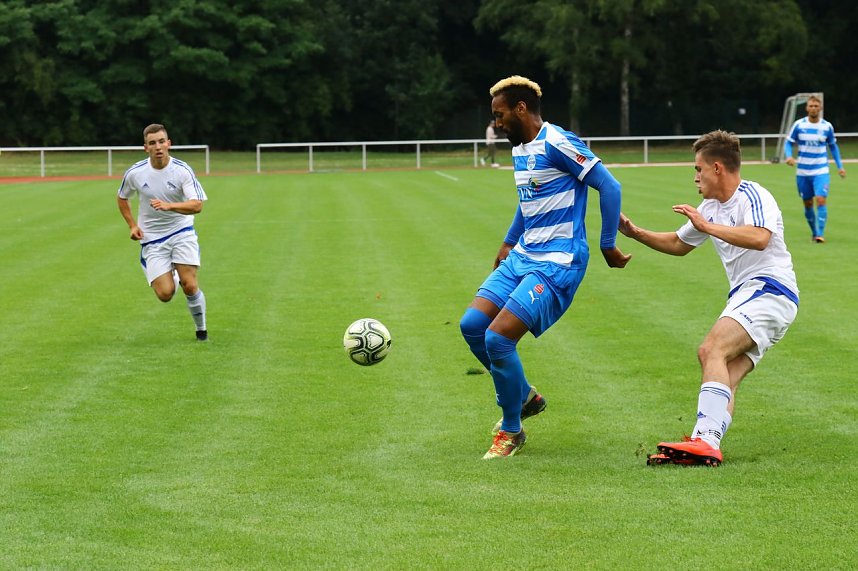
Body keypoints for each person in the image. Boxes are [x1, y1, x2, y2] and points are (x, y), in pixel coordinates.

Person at [459, 75, 631, 460]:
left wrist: (607, 244)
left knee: (498, 338)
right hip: (524, 254)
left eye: (500, 115)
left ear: (521, 109)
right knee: (472, 325)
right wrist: (508, 241)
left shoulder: (558, 142)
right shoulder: (521, 148)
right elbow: (529, 200)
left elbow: (610, 186)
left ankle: (511, 430)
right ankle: (524, 396)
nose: (496, 123)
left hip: (559, 261)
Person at [619, 130, 799, 466]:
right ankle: (706, 443)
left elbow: (759, 238)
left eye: (698, 168)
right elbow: (678, 244)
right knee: (725, 371)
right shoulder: (711, 208)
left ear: (717, 168)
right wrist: (635, 233)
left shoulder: (753, 195)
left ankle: (703, 440)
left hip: (770, 289)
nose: (695, 176)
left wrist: (708, 226)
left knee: (710, 349)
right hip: (752, 295)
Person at [117, 123, 209, 341]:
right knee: (165, 294)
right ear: (145, 148)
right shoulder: (136, 172)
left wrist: (169, 206)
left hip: (181, 230)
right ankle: (173, 273)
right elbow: (122, 197)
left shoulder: (182, 170)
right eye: (152, 143)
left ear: (169, 143)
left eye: (161, 142)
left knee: (190, 284)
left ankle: (201, 331)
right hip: (152, 238)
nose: (157, 147)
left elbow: (197, 205)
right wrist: (132, 225)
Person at [783, 95, 846, 243]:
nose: (813, 108)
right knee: (808, 203)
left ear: (820, 108)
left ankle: (820, 234)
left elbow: (833, 146)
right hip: (803, 171)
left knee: (821, 199)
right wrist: (788, 156)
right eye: (811, 106)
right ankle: (814, 232)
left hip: (821, 170)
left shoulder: (827, 126)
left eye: (816, 106)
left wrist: (840, 166)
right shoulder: (799, 125)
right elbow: (788, 142)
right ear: (807, 108)